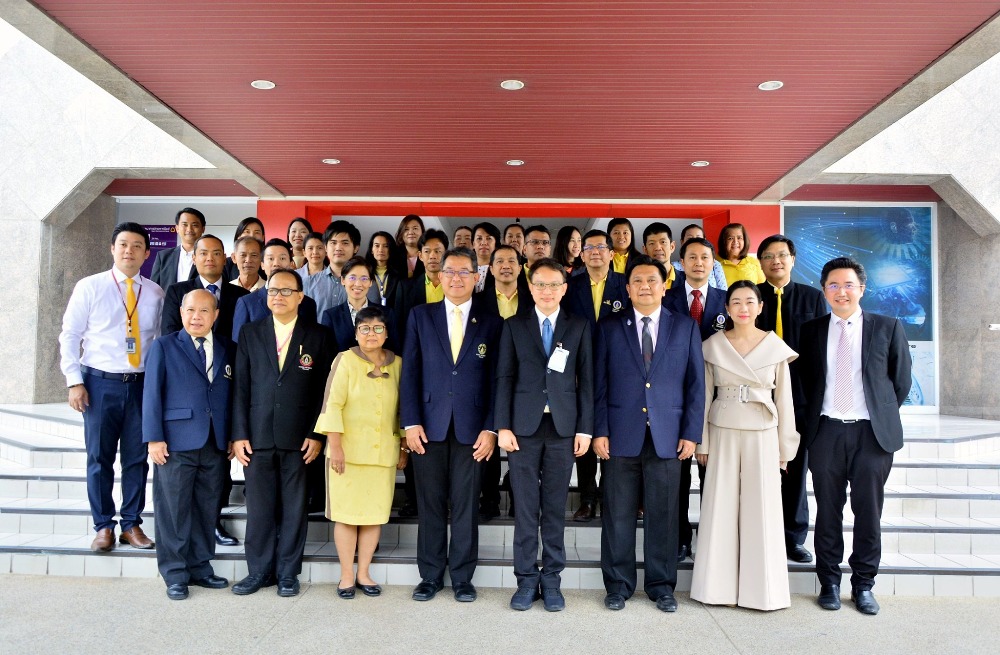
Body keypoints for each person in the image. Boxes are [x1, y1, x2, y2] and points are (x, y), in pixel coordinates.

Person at [592, 255, 704, 613]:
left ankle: (661, 586)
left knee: (664, 515)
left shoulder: (685, 327)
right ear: (627, 288)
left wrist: (691, 432)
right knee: (617, 515)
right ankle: (618, 585)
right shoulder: (610, 327)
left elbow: (695, 385)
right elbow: (598, 384)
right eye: (637, 281)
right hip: (619, 435)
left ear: (664, 285)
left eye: (651, 280)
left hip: (668, 436)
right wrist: (599, 430)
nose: (644, 286)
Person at [799, 258, 911, 616]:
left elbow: (900, 382)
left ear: (862, 288)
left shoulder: (887, 326)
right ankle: (829, 583)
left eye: (848, 284)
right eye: (833, 285)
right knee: (828, 511)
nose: (841, 291)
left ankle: (863, 584)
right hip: (826, 432)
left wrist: (877, 414)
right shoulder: (811, 330)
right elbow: (805, 382)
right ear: (824, 290)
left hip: (871, 436)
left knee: (868, 512)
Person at [400, 248, 503, 603]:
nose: (456, 278)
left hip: (473, 431)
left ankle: (462, 577)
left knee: (465, 505)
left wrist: (491, 428)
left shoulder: (492, 322)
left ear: (476, 277)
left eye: (463, 272)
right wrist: (410, 422)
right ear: (439, 276)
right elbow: (410, 372)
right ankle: (430, 576)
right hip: (428, 427)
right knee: (429, 504)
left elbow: (498, 380)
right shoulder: (420, 316)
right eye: (450, 272)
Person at [690, 281, 799, 611]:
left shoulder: (775, 347)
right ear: (726, 308)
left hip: (763, 430)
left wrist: (785, 448)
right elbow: (702, 396)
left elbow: (785, 400)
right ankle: (715, 589)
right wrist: (701, 441)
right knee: (719, 506)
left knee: (762, 509)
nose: (743, 308)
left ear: (760, 307)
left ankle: (763, 593)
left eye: (750, 301)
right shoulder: (712, 346)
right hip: (722, 427)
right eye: (736, 302)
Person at [495, 258, 593, 612]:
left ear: (564, 289)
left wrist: (585, 428)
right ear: (530, 287)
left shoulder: (579, 326)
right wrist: (502, 426)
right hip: (522, 429)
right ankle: (525, 581)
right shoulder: (514, 325)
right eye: (540, 284)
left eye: (554, 285)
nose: (547, 291)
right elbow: (504, 378)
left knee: (553, 508)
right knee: (525, 508)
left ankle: (551, 581)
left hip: (563, 428)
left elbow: (588, 381)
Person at [59, 222, 164, 553]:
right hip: (99, 383)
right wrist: (74, 381)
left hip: (141, 385)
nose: (129, 251)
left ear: (147, 253)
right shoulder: (90, 287)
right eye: (123, 245)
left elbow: (159, 342)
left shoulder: (156, 293)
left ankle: (131, 524)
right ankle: (103, 525)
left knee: (137, 459)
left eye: (136, 246)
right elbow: (70, 335)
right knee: (99, 458)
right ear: (112, 249)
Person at [230, 269, 334, 597]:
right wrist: (239, 434)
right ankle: (258, 572)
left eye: (287, 291)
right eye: (273, 291)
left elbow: (325, 391)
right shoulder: (250, 332)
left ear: (301, 297)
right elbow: (241, 386)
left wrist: (317, 434)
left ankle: (288, 573)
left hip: (300, 438)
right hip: (257, 437)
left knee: (294, 509)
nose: (278, 296)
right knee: (260, 509)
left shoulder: (319, 335)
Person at [142, 289, 233, 600]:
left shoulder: (227, 347)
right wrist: (154, 438)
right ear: (181, 313)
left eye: (204, 311)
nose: (197, 317)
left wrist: (232, 434)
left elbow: (231, 395)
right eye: (191, 310)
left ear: (215, 315)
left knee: (207, 508)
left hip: (215, 441)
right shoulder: (164, 346)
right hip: (175, 442)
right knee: (174, 510)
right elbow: (151, 394)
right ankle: (175, 573)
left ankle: (200, 567)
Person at [315, 305, 407, 599]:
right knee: (346, 516)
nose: (371, 334)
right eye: (365, 328)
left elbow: (403, 409)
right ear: (356, 333)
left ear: (387, 333)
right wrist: (335, 447)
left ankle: (364, 573)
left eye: (378, 328)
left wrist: (403, 445)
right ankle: (346, 576)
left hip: (382, 454)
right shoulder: (344, 360)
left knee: (373, 515)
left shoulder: (398, 364)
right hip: (347, 454)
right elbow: (332, 405)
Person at [756, 235, 827, 564]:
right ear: (760, 263)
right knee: (758, 468)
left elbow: (821, 352)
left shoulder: (812, 298)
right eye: (769, 256)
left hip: (799, 398)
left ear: (793, 259)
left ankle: (793, 537)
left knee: (796, 469)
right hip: (759, 396)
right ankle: (760, 533)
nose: (776, 261)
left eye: (782, 255)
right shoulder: (753, 297)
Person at [663, 236, 728, 561]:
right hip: (674, 398)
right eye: (692, 257)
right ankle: (679, 538)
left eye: (705, 257)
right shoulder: (667, 299)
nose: (699, 263)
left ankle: (712, 541)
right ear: (682, 262)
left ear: (712, 263)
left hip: (717, 399)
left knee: (712, 477)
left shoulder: (727, 301)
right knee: (676, 476)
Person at [562, 229, 628, 522]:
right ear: (581, 254)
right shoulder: (571, 286)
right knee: (586, 431)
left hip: (620, 370)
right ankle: (587, 498)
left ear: (612, 254)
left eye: (601, 247)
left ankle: (612, 496)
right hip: (581, 369)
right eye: (589, 248)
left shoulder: (626, 284)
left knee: (616, 432)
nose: (595, 252)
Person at [161, 235, 249, 345]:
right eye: (203, 253)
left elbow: (245, 337)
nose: (210, 258)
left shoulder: (242, 295)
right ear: (194, 259)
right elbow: (169, 334)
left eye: (216, 254)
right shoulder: (177, 292)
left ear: (224, 259)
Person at [231, 239, 318, 342]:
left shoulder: (307, 303)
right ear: (262, 265)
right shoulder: (247, 303)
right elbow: (238, 343)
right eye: (271, 258)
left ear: (291, 264)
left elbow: (312, 341)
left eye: (282, 258)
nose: (276, 263)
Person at [320, 257, 398, 353]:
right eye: (352, 278)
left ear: (371, 282)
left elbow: (394, 350)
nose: (358, 284)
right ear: (343, 280)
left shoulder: (386, 313)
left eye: (364, 279)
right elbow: (326, 354)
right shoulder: (331, 316)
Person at [305, 220, 380, 318]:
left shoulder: (367, 283)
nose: (338, 248)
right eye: (333, 243)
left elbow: (375, 318)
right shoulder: (309, 283)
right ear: (325, 247)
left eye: (345, 243)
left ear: (356, 248)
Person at [150, 207, 205, 290]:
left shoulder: (209, 257)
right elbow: (153, 288)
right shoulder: (163, 256)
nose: (189, 229)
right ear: (177, 228)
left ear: (203, 229)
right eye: (185, 225)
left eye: (194, 225)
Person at [674, 224, 727, 290]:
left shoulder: (715, 265)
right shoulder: (674, 266)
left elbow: (723, 290)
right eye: (690, 239)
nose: (694, 242)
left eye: (698, 238)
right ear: (682, 242)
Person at [223, 217, 265, 284]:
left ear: (263, 238)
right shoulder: (227, 264)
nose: (251, 236)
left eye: (257, 232)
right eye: (247, 232)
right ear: (238, 236)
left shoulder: (267, 263)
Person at [641, 222, 680, 288]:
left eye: (663, 242)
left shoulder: (688, 280)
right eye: (652, 243)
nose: (658, 248)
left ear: (672, 247)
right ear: (645, 250)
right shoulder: (636, 282)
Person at [366, 231, 400, 306]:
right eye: (377, 246)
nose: (381, 250)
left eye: (386, 246)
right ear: (371, 250)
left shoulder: (399, 274)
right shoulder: (364, 272)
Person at [392, 214, 425, 279]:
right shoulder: (393, 255)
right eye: (406, 229)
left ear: (422, 231)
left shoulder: (428, 254)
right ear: (401, 233)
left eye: (415, 228)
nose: (411, 232)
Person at [472, 222, 501, 292]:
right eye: (479, 238)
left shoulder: (501, 269)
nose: (484, 243)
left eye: (489, 238)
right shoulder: (465, 268)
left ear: (495, 244)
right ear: (473, 244)